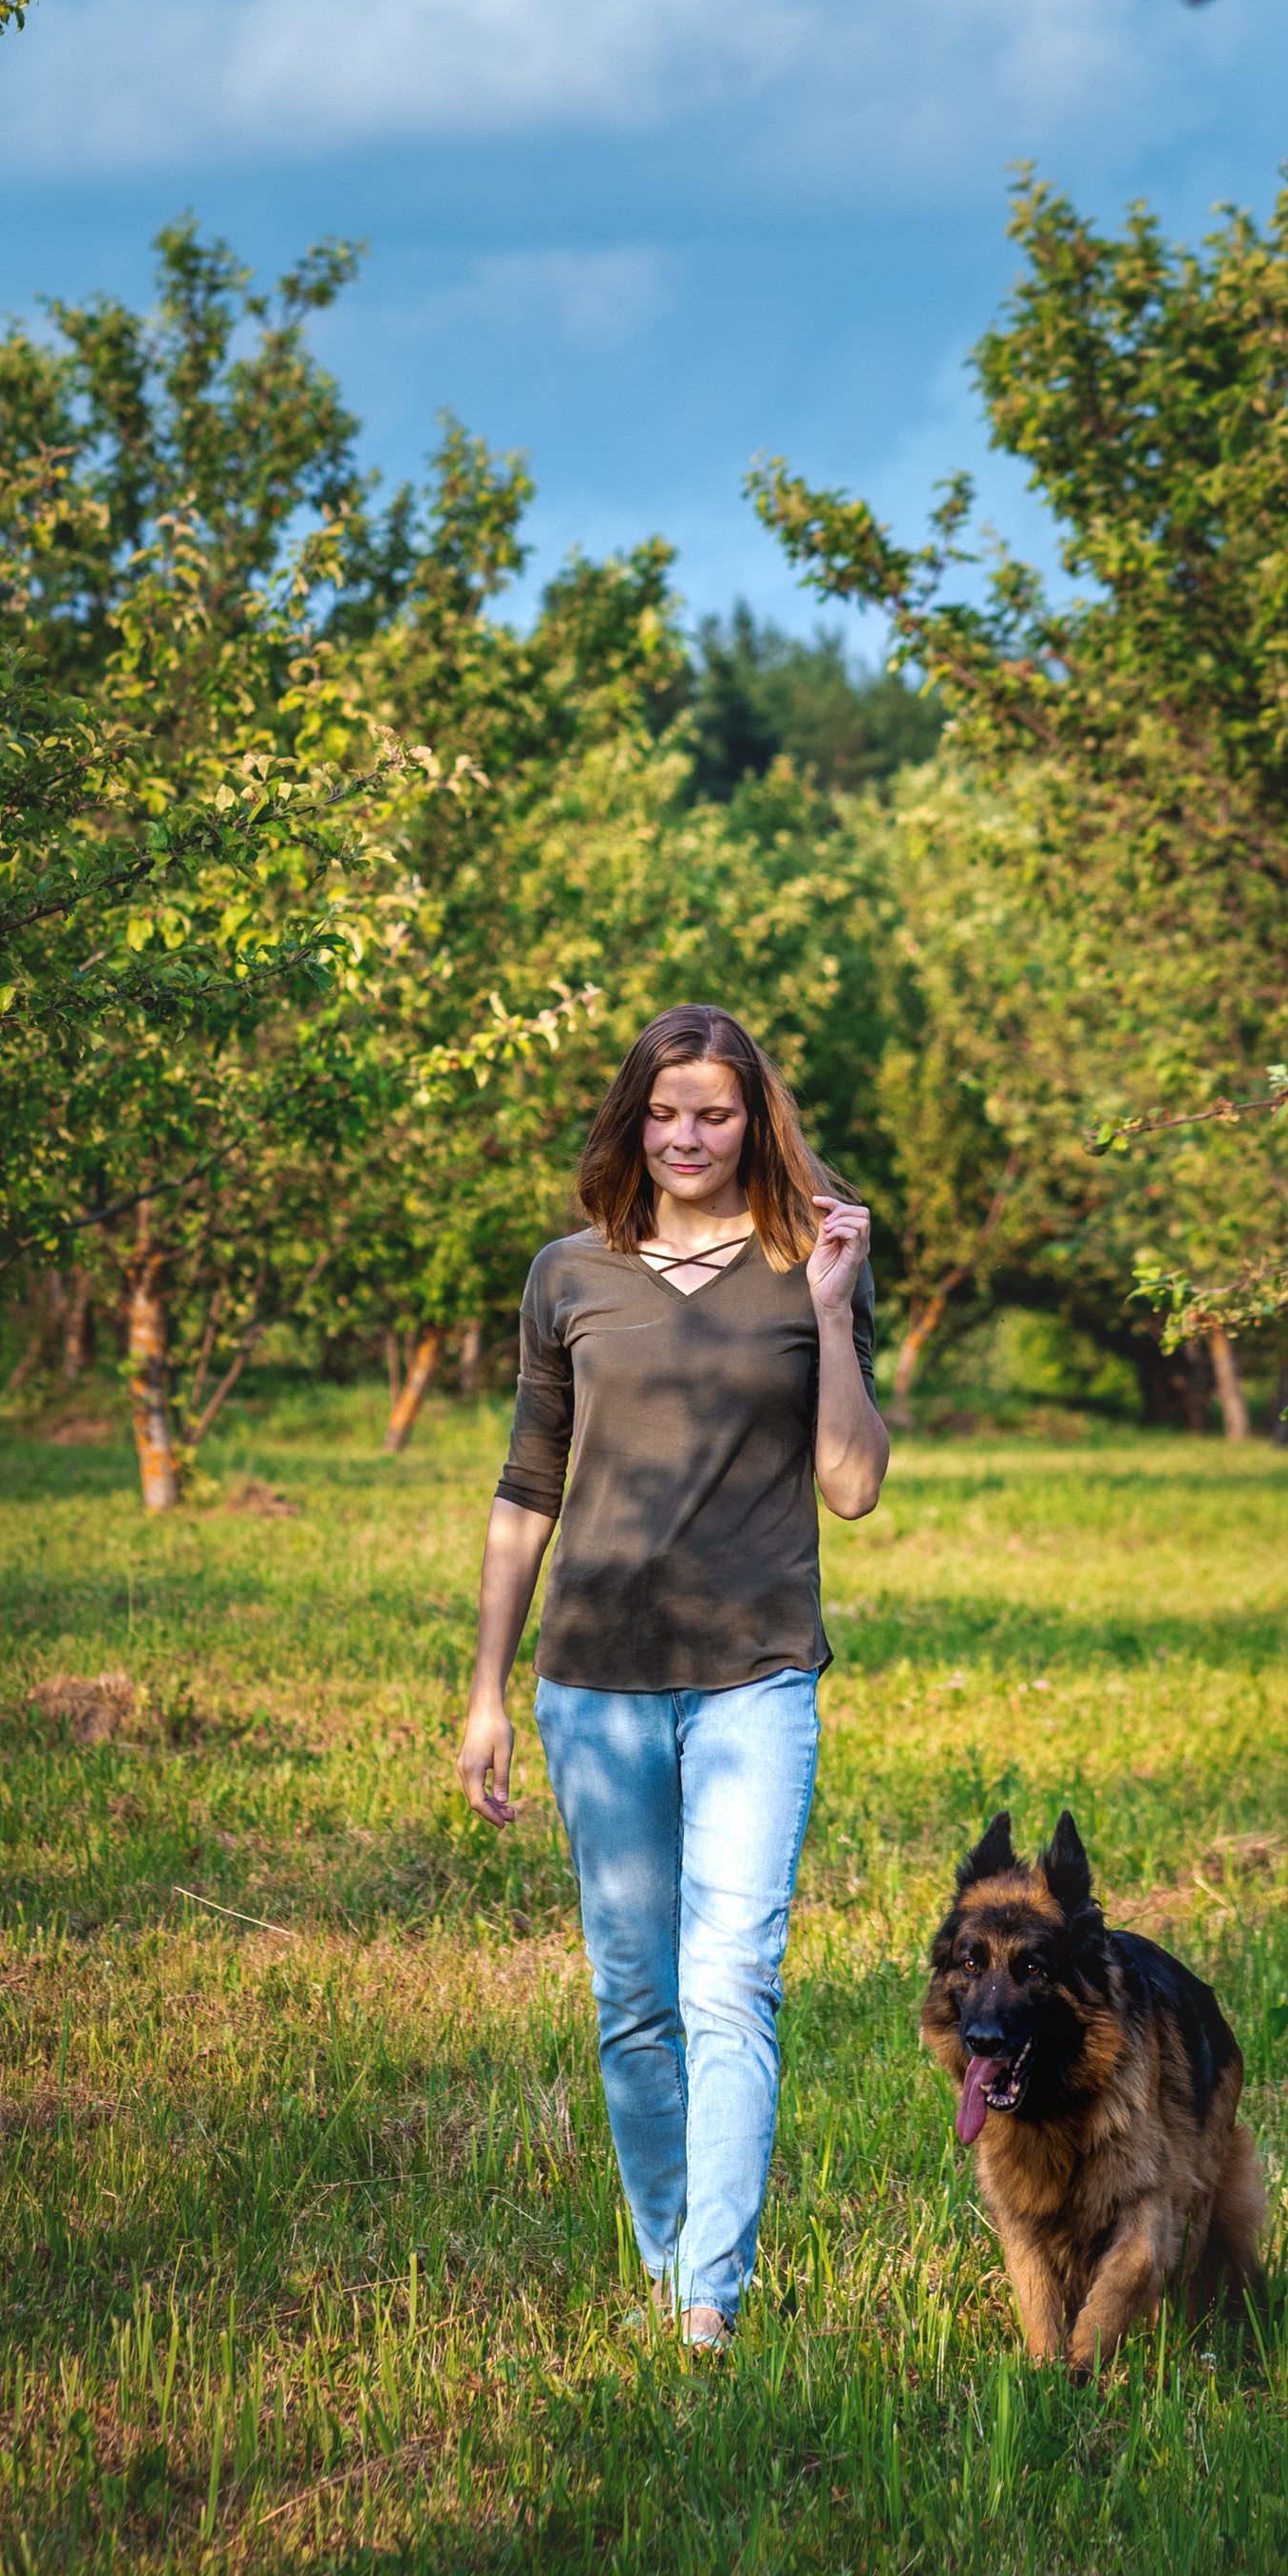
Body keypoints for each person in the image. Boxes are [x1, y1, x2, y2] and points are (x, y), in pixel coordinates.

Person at [455, 1002, 887, 2351]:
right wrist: (485, 1692)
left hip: (756, 1676)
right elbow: (526, 1488)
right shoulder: (568, 1274)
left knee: (730, 1983)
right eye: (661, 1112)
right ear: (630, 1119)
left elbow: (854, 1486)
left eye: (712, 1113)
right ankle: (667, 2257)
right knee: (633, 2000)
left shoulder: (811, 1261)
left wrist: (828, 1311)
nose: (684, 1137)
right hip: (595, 1681)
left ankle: (709, 2301)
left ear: (755, 1120)